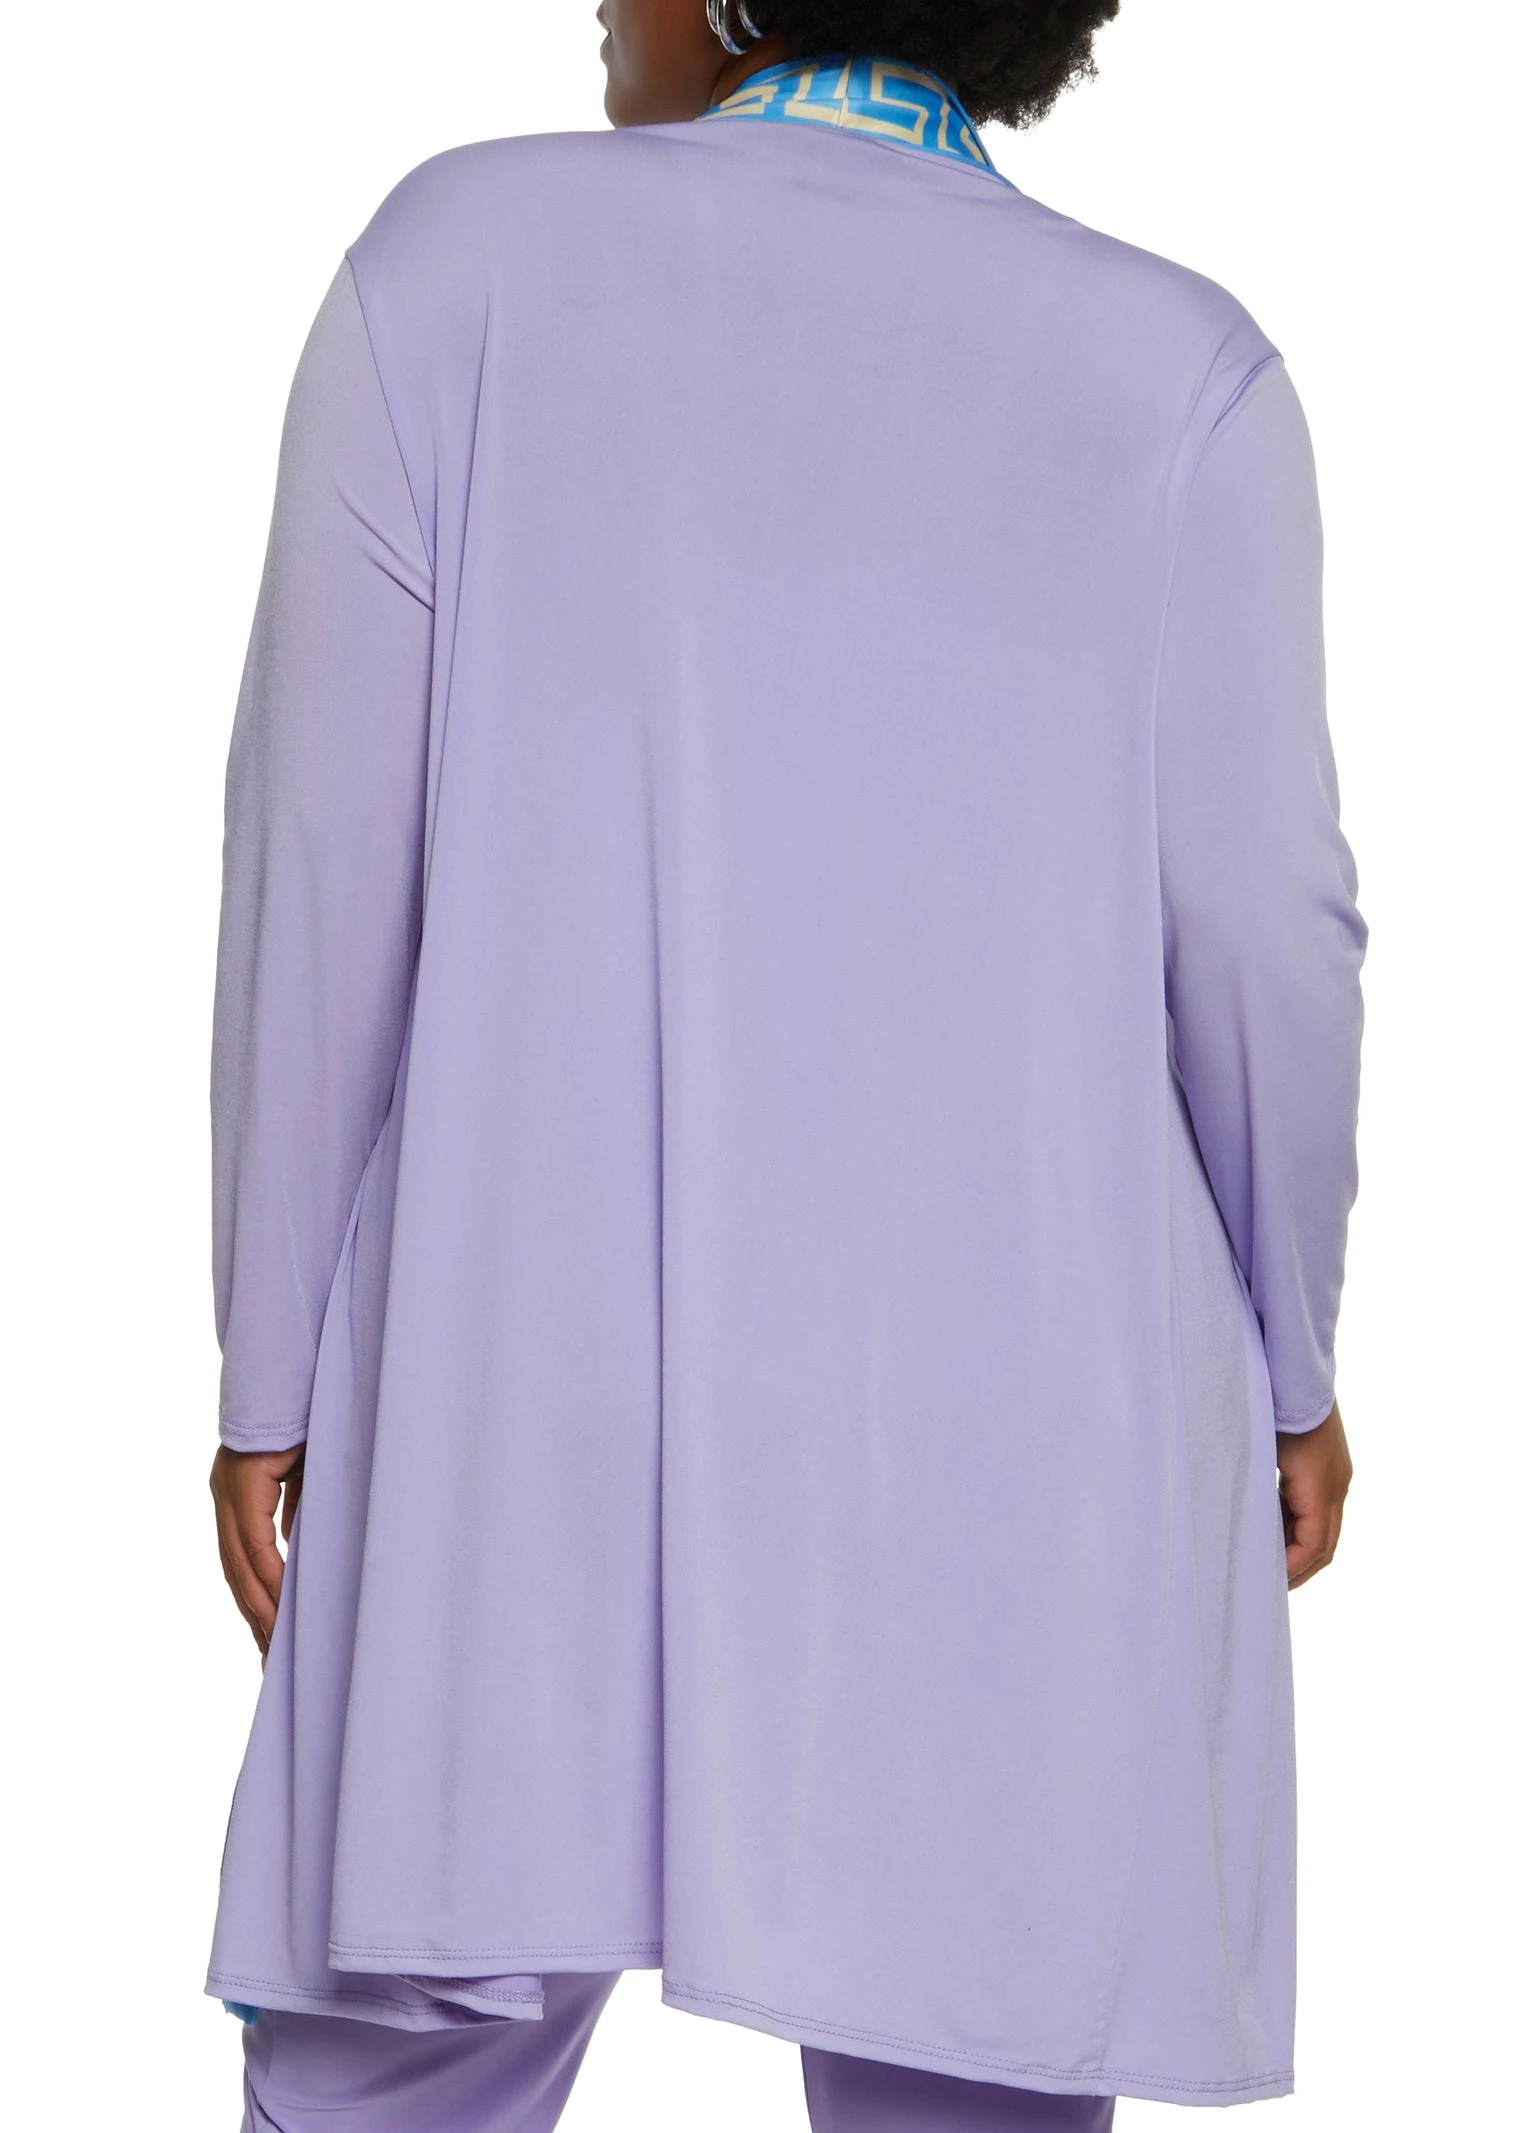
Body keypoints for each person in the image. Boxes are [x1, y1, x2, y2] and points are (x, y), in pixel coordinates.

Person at [205, 1, 1366, 2127]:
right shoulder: (1183, 379)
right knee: (969, 2052)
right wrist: (1291, 1359)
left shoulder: (452, 269)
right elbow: (1265, 937)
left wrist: (269, 1380)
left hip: (517, 1385)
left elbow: (313, 873)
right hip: (1000, 1412)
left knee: (398, 2052)